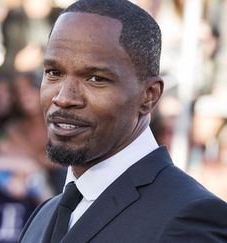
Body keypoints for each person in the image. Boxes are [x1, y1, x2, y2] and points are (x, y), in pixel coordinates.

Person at [19, 1, 227, 243]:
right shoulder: (43, 216)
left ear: (149, 96)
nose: (64, 98)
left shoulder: (188, 219)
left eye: (95, 78)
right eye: (54, 73)